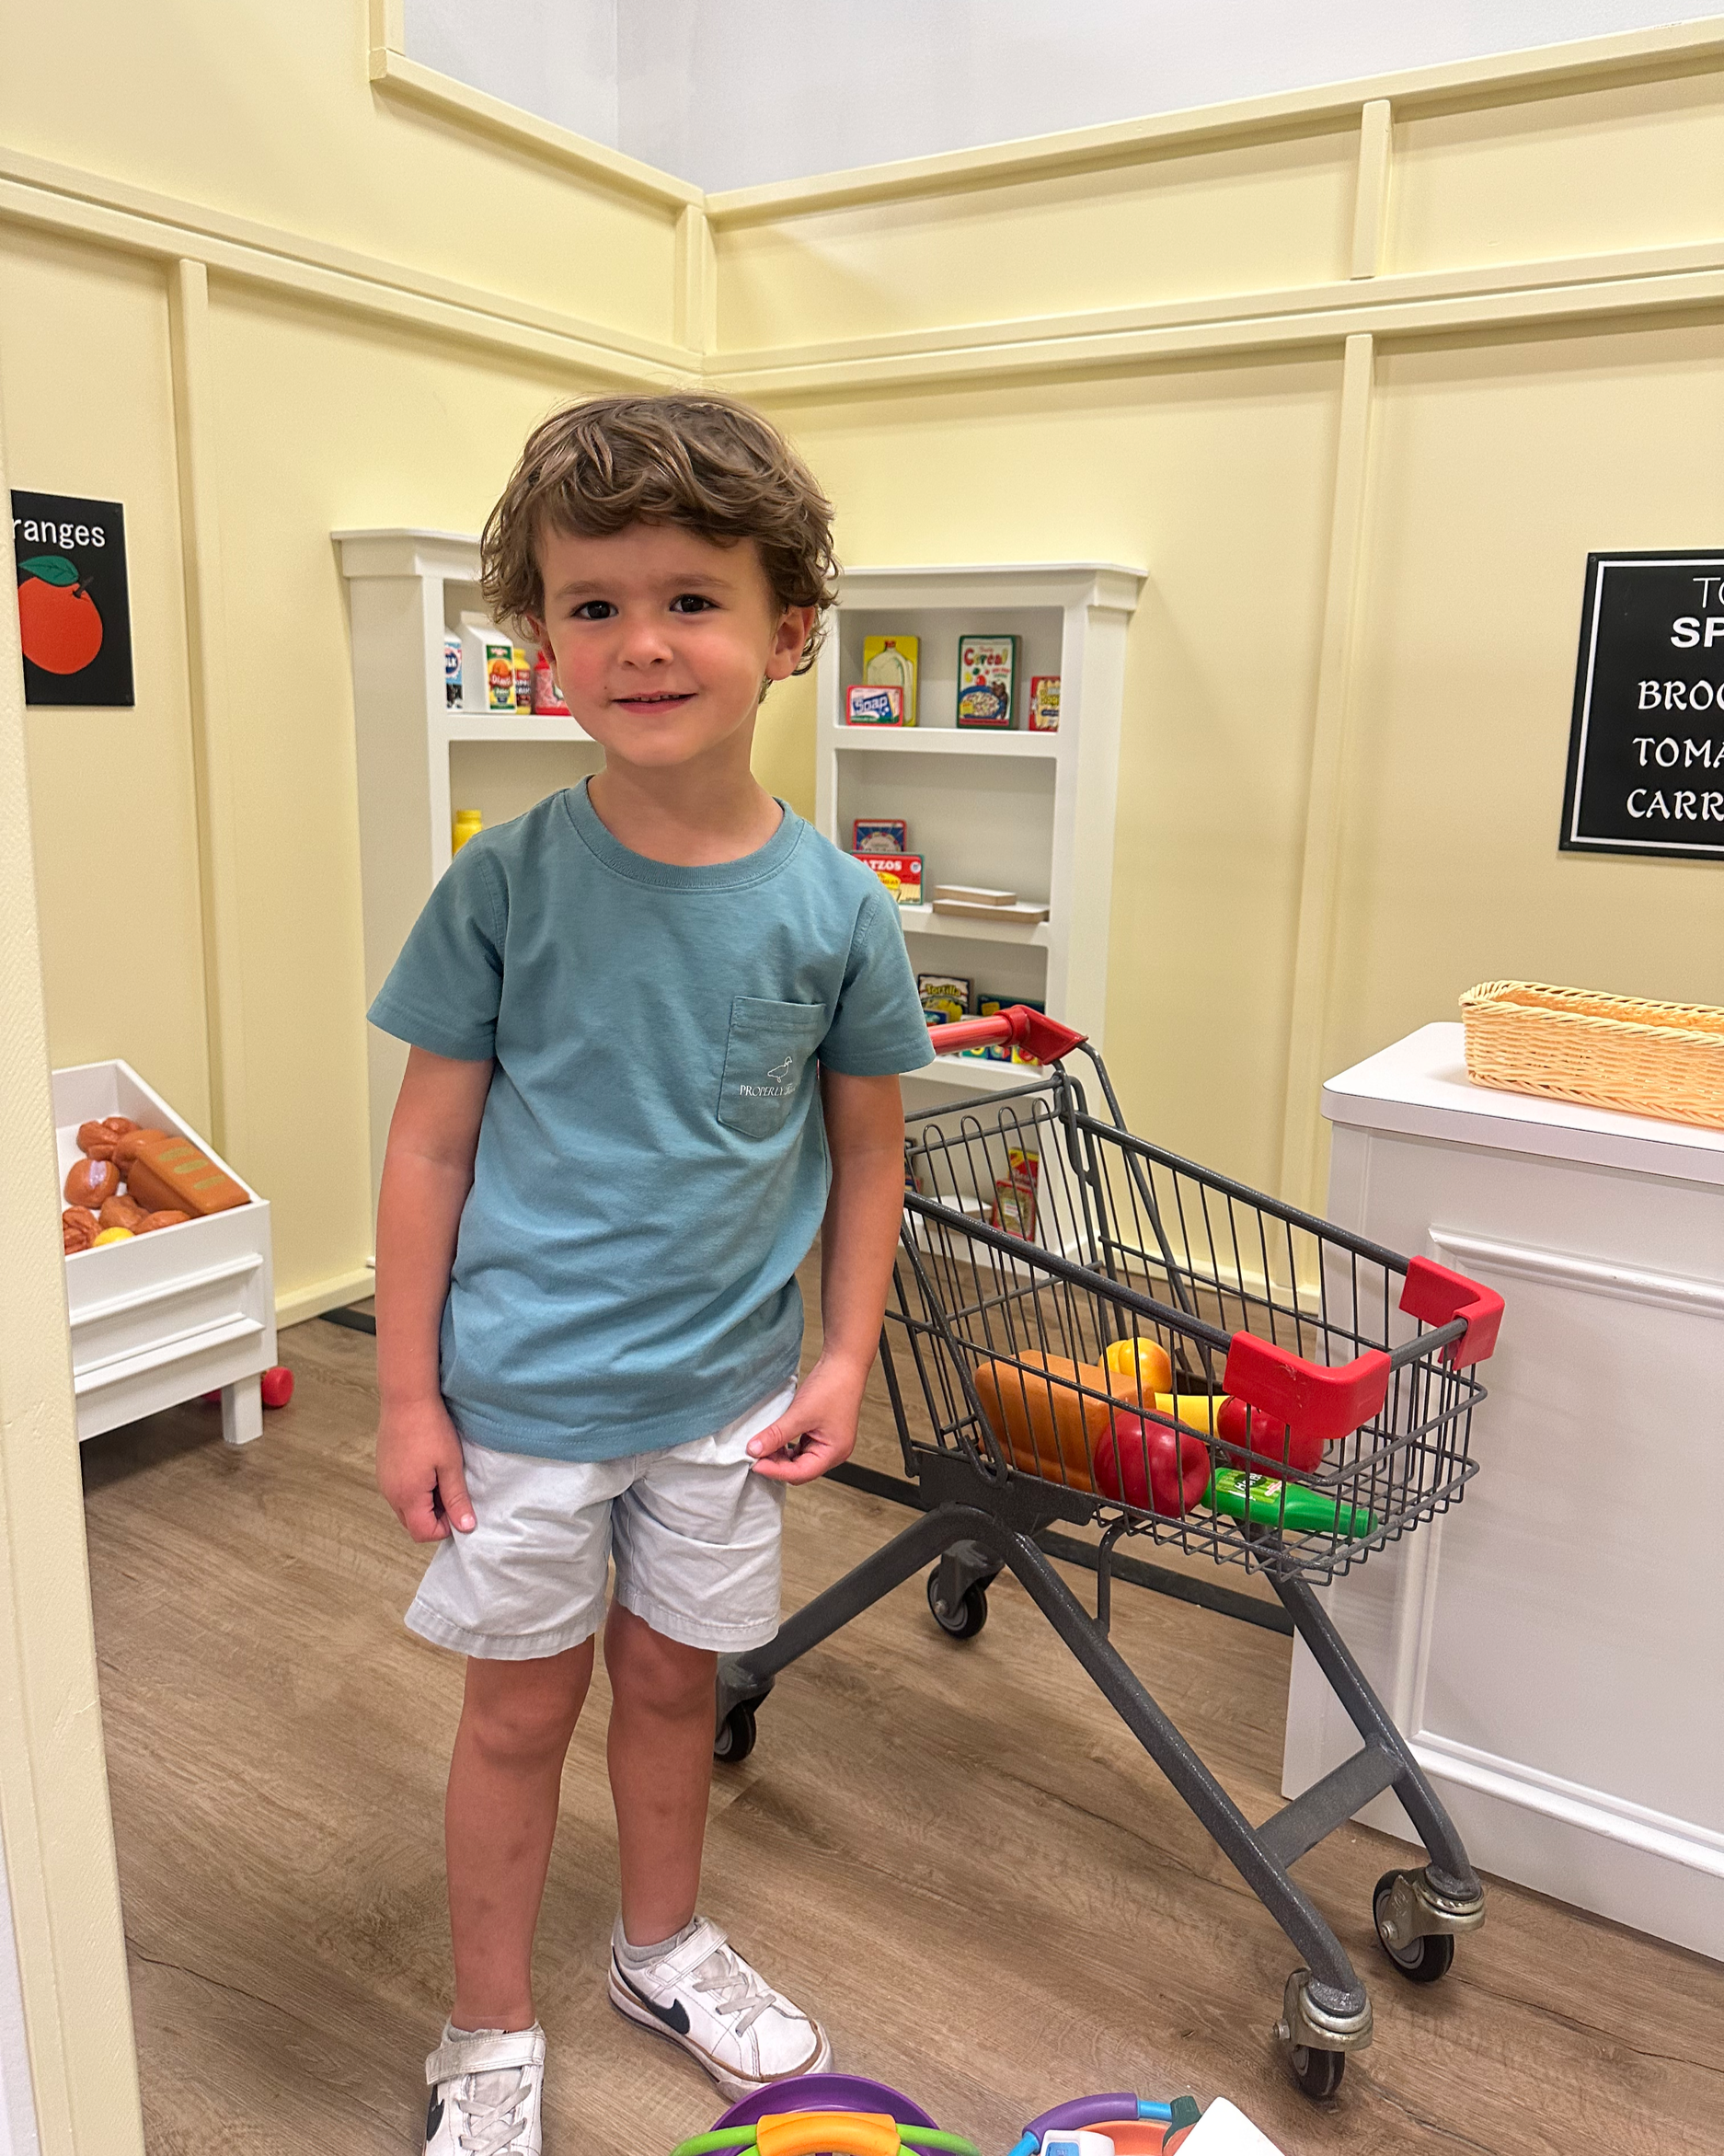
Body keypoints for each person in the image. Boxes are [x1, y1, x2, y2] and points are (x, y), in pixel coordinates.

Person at [368, 393, 933, 2156]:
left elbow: (861, 1148)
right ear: (541, 643)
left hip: (725, 1398)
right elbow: (429, 1150)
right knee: (520, 1708)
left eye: (687, 596)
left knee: (680, 1682)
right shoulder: (503, 887)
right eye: (589, 603)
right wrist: (402, 1392)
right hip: (523, 1400)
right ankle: (485, 2025)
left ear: (786, 631)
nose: (639, 640)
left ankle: (662, 1944)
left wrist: (842, 1354)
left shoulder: (841, 910)